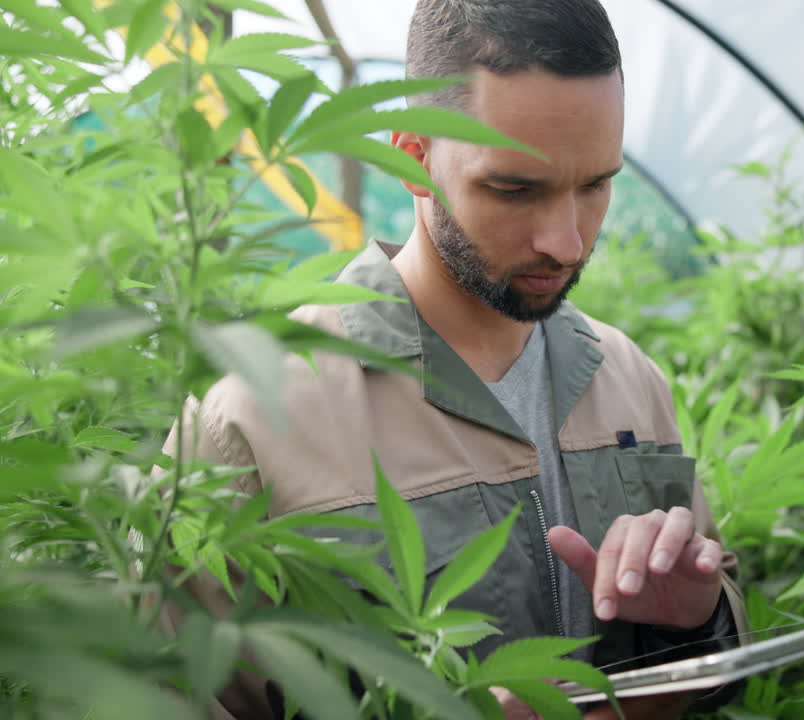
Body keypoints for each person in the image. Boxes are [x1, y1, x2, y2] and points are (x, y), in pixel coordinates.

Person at [166, 1, 746, 718]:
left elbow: (714, 635)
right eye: (514, 189)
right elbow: (169, 691)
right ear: (413, 155)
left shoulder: (627, 378)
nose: (567, 242)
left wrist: (696, 619)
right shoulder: (255, 414)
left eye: (595, 185)